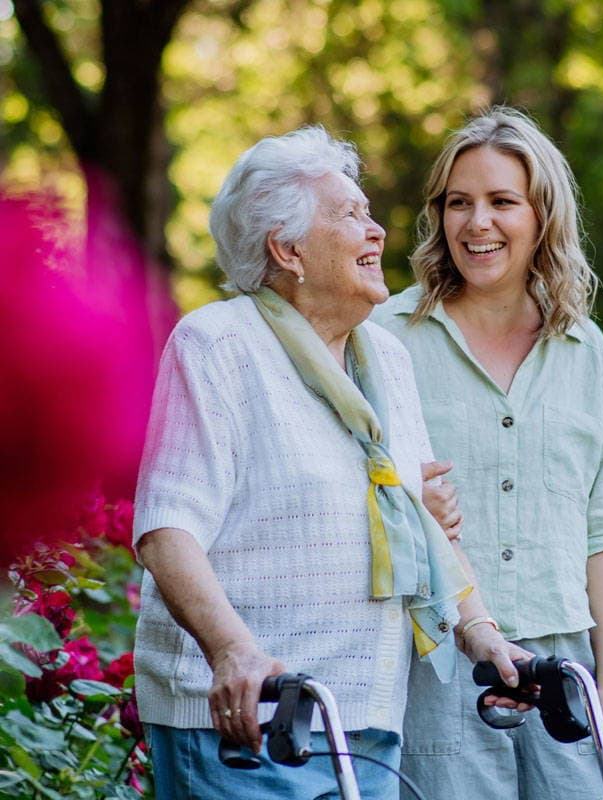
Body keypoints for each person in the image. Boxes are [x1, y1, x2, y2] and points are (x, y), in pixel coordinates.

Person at [132, 125, 528, 800]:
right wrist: (234, 650)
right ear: (288, 250)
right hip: (249, 724)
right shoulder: (219, 344)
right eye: (351, 216)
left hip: (364, 721)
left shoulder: (386, 360)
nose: (377, 232)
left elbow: (416, 522)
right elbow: (167, 529)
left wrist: (482, 632)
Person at [371, 107, 603, 800]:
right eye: (459, 203)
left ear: (543, 216)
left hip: (565, 670)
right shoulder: (384, 339)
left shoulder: (584, 350)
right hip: (435, 666)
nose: (477, 223)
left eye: (502, 202)